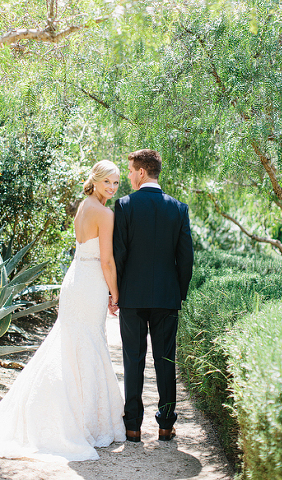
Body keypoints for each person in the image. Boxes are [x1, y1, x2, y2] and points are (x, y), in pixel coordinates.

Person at [0, 160, 125, 462]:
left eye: (117, 183)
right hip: (90, 282)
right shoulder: (105, 214)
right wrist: (114, 293)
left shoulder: (83, 206)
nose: (113, 188)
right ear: (97, 180)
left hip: (75, 278)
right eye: (108, 182)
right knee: (87, 344)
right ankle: (80, 421)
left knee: (70, 345)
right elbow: (107, 261)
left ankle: (67, 413)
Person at [113, 149, 194, 442]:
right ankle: (165, 424)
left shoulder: (124, 206)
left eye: (132, 171)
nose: (130, 177)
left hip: (132, 299)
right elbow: (186, 259)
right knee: (165, 361)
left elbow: (118, 255)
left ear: (142, 172)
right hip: (166, 298)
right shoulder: (178, 208)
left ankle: (132, 426)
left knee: (133, 361)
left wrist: (116, 293)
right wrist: (178, 293)